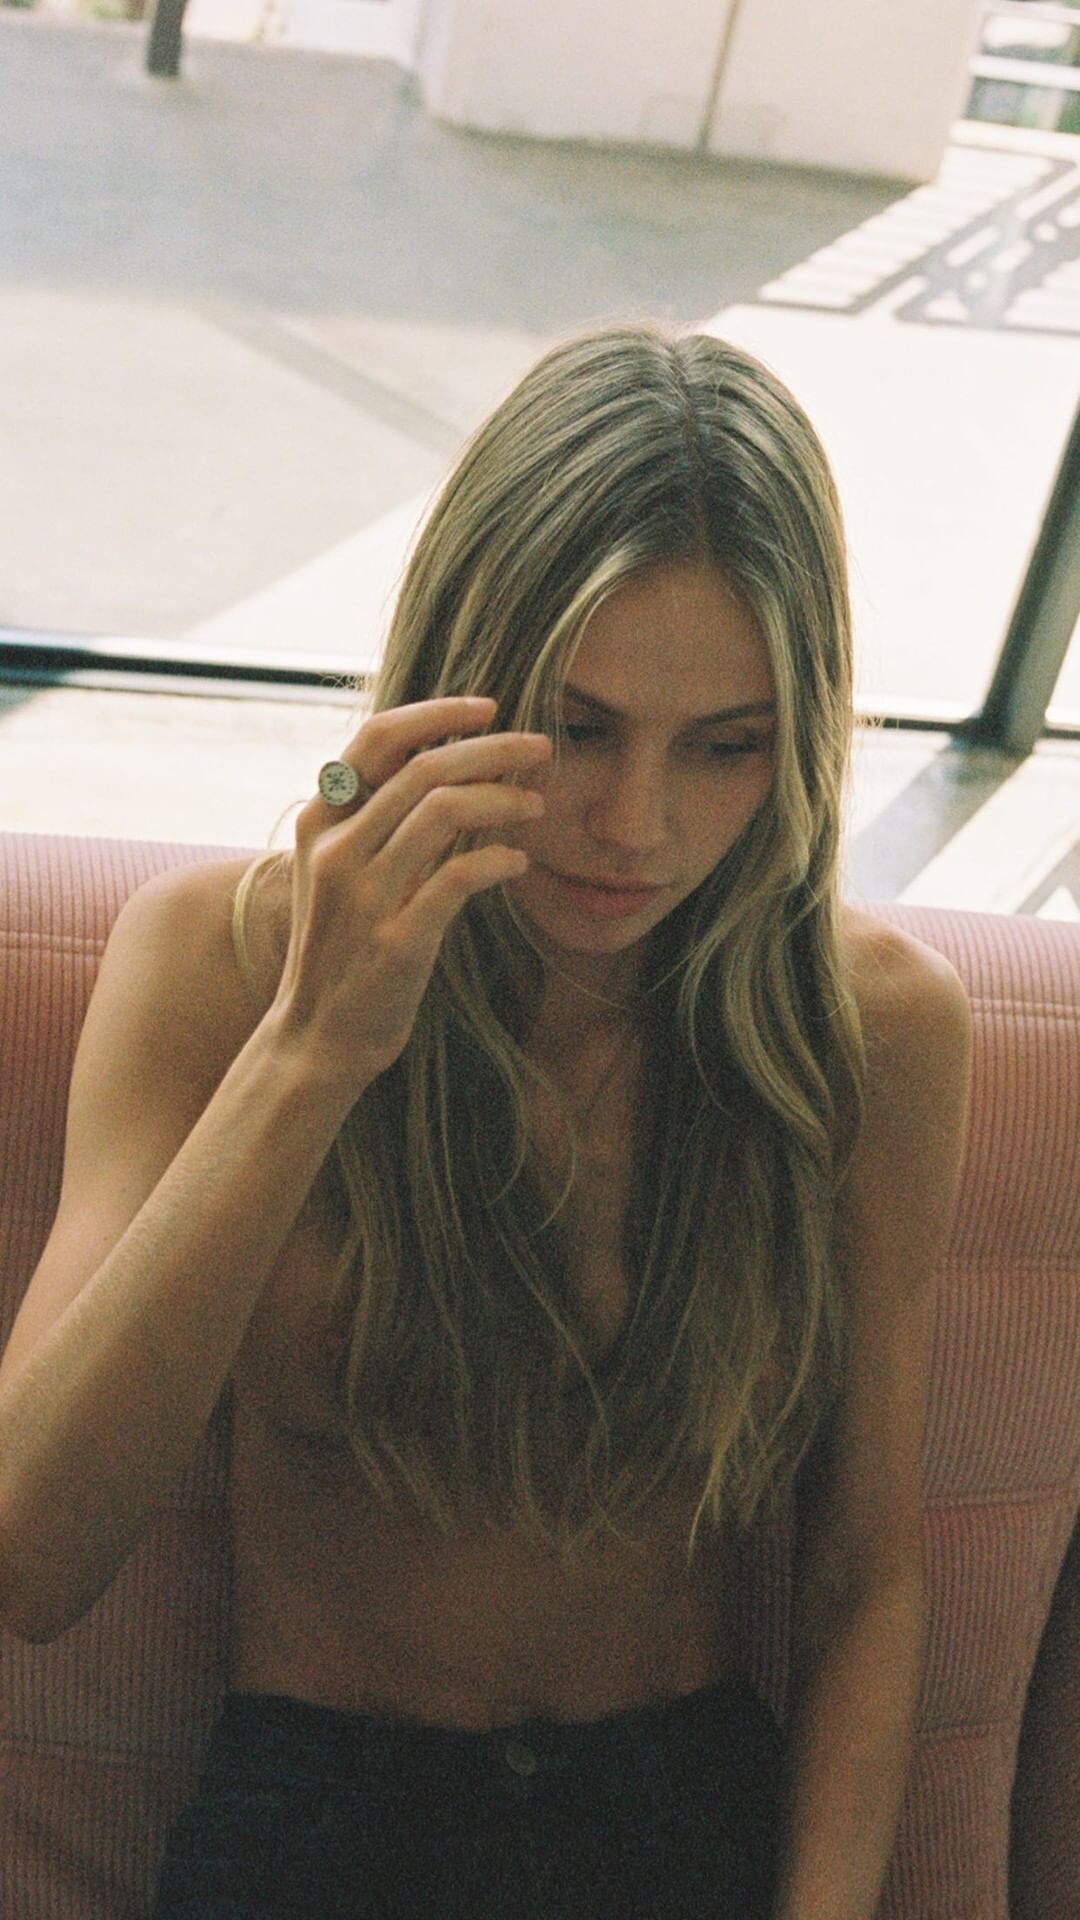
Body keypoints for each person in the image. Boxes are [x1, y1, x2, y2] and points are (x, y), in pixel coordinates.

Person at [0, 323, 973, 1919]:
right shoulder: (221, 966)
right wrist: (315, 1045)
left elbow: (865, 1574)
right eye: (578, 729)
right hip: (321, 1820)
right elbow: (34, 1558)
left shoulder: (868, 1032)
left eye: (725, 748)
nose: (637, 824)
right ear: (456, 680)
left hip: (684, 1817)